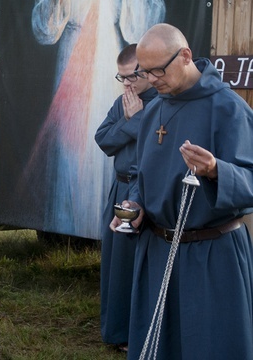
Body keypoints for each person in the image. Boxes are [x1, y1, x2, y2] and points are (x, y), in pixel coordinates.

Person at [27, 0, 165, 237]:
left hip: (110, 61)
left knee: (105, 144)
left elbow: (152, 6)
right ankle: (72, 226)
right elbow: (42, 10)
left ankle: (108, 222)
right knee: (73, 146)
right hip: (72, 58)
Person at [110, 23, 253, 358]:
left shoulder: (229, 109)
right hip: (157, 252)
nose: (151, 79)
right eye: (145, 71)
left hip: (211, 257)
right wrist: (136, 206)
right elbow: (145, 179)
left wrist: (217, 170)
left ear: (186, 55)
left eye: (158, 69)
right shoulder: (153, 112)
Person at [94, 43, 156, 351]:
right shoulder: (124, 103)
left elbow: (162, 145)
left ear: (146, 69)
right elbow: (103, 139)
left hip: (145, 191)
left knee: (139, 265)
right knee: (116, 265)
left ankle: (140, 335)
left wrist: (140, 120)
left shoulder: (161, 101)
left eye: (131, 76)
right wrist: (131, 122)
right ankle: (116, 332)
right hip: (119, 190)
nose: (127, 84)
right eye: (122, 78)